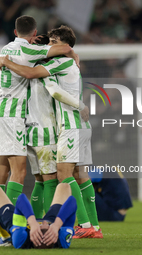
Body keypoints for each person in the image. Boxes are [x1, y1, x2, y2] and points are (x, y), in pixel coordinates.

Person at [0, 25, 102, 238]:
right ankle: (93, 226)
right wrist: (73, 54)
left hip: (61, 126)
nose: (48, 47)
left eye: (52, 43)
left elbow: (48, 86)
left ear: (62, 46)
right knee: (78, 175)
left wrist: (7, 62)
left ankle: (82, 224)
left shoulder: (58, 63)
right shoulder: (66, 62)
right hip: (73, 126)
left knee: (56, 176)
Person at [0, 15, 79, 238]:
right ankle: (10, 228)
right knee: (19, 173)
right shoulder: (30, 51)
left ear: (15, 32)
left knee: (1, 172)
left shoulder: (5, 49)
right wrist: (73, 53)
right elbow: (63, 48)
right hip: (12, 115)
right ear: (34, 34)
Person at [25, 35, 89, 219]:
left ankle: (34, 223)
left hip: (27, 128)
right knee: (51, 179)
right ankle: (49, 222)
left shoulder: (22, 69)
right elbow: (54, 91)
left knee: (39, 179)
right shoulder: (45, 72)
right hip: (46, 129)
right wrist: (80, 105)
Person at [0, 183, 76, 249]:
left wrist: (33, 223)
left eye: (41, 226)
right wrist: (56, 226)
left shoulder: (21, 239)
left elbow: (21, 199)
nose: (43, 222)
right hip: (53, 221)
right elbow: (72, 201)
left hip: (19, 226)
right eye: (47, 227)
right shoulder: (61, 239)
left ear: (33, 236)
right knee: (64, 186)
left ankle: (6, 237)